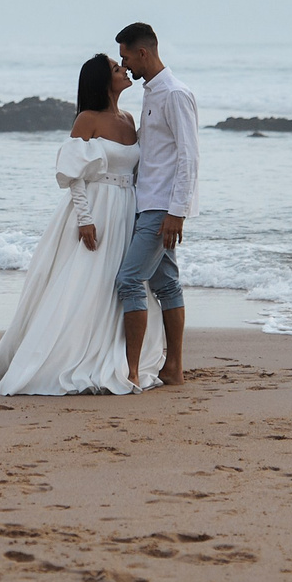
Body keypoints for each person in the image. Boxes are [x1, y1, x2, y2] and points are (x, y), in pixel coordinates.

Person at [0, 53, 168, 396]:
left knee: (118, 283)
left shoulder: (128, 118)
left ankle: (122, 355)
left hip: (127, 209)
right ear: (103, 81)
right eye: (115, 68)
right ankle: (68, 353)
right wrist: (85, 220)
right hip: (96, 208)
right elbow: (74, 176)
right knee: (86, 282)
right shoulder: (87, 119)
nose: (124, 70)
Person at [115, 21, 197, 387]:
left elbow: (188, 157)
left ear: (143, 53)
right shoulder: (151, 92)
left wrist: (177, 211)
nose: (125, 64)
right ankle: (173, 369)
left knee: (130, 280)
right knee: (167, 286)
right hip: (145, 204)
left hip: (161, 208)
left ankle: (133, 371)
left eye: (127, 57)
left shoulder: (176, 94)